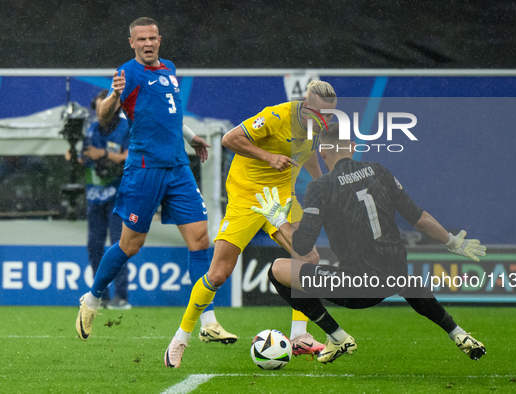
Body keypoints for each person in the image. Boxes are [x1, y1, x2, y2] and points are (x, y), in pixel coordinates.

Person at [250, 122, 488, 364]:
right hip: (395, 276)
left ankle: (336, 335)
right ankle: (458, 333)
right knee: (403, 277)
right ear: (352, 147)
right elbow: (419, 219)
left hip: (358, 288)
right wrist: (452, 242)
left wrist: (279, 220)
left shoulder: (320, 187)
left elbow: (301, 247)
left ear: (322, 152)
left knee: (278, 269)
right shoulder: (379, 171)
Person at [76, 17, 236, 346]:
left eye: (152, 38)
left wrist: (191, 137)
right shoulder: (127, 74)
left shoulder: (170, 69)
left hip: (177, 166)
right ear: (132, 43)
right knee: (130, 245)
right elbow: (105, 117)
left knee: (200, 240)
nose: (148, 43)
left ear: (159, 39)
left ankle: (208, 320)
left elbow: (169, 114)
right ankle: (92, 299)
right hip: (145, 169)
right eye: (141, 39)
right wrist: (113, 97)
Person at [163, 81, 338, 368]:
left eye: (330, 114)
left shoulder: (316, 129)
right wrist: (268, 157)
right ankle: (181, 338)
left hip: (282, 197)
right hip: (247, 197)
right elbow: (230, 139)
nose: (325, 119)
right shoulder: (276, 116)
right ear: (306, 104)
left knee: (309, 256)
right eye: (321, 112)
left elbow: (307, 160)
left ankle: (300, 335)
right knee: (218, 274)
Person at [83, 90, 130, 309]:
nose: (100, 113)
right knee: (94, 246)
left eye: (104, 108)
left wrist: (103, 155)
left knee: (119, 245)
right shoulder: (91, 128)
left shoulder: (126, 127)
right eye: (98, 108)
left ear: (114, 108)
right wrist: (76, 156)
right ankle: (99, 295)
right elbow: (84, 157)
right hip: (94, 196)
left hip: (118, 195)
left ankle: (121, 296)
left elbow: (133, 156)